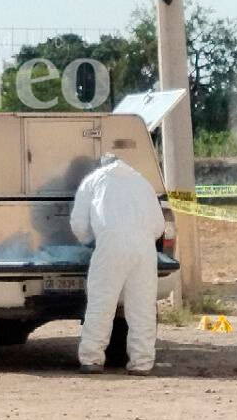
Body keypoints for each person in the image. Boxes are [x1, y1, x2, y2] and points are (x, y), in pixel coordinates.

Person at [70, 153, 164, 376]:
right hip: (144, 249)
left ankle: (92, 359)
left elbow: (79, 223)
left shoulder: (93, 180)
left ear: (100, 165)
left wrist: (89, 241)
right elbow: (159, 225)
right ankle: (142, 362)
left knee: (102, 304)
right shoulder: (142, 182)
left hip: (110, 245)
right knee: (142, 307)